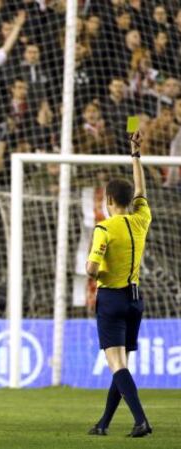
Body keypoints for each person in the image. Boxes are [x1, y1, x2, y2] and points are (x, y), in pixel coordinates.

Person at [86, 131, 152, 437]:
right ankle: (103, 423)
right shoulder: (142, 218)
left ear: (109, 200)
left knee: (116, 364)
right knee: (121, 362)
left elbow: (90, 268)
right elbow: (141, 187)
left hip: (111, 300)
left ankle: (141, 420)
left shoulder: (104, 227)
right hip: (136, 300)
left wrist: (97, 274)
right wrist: (135, 154)